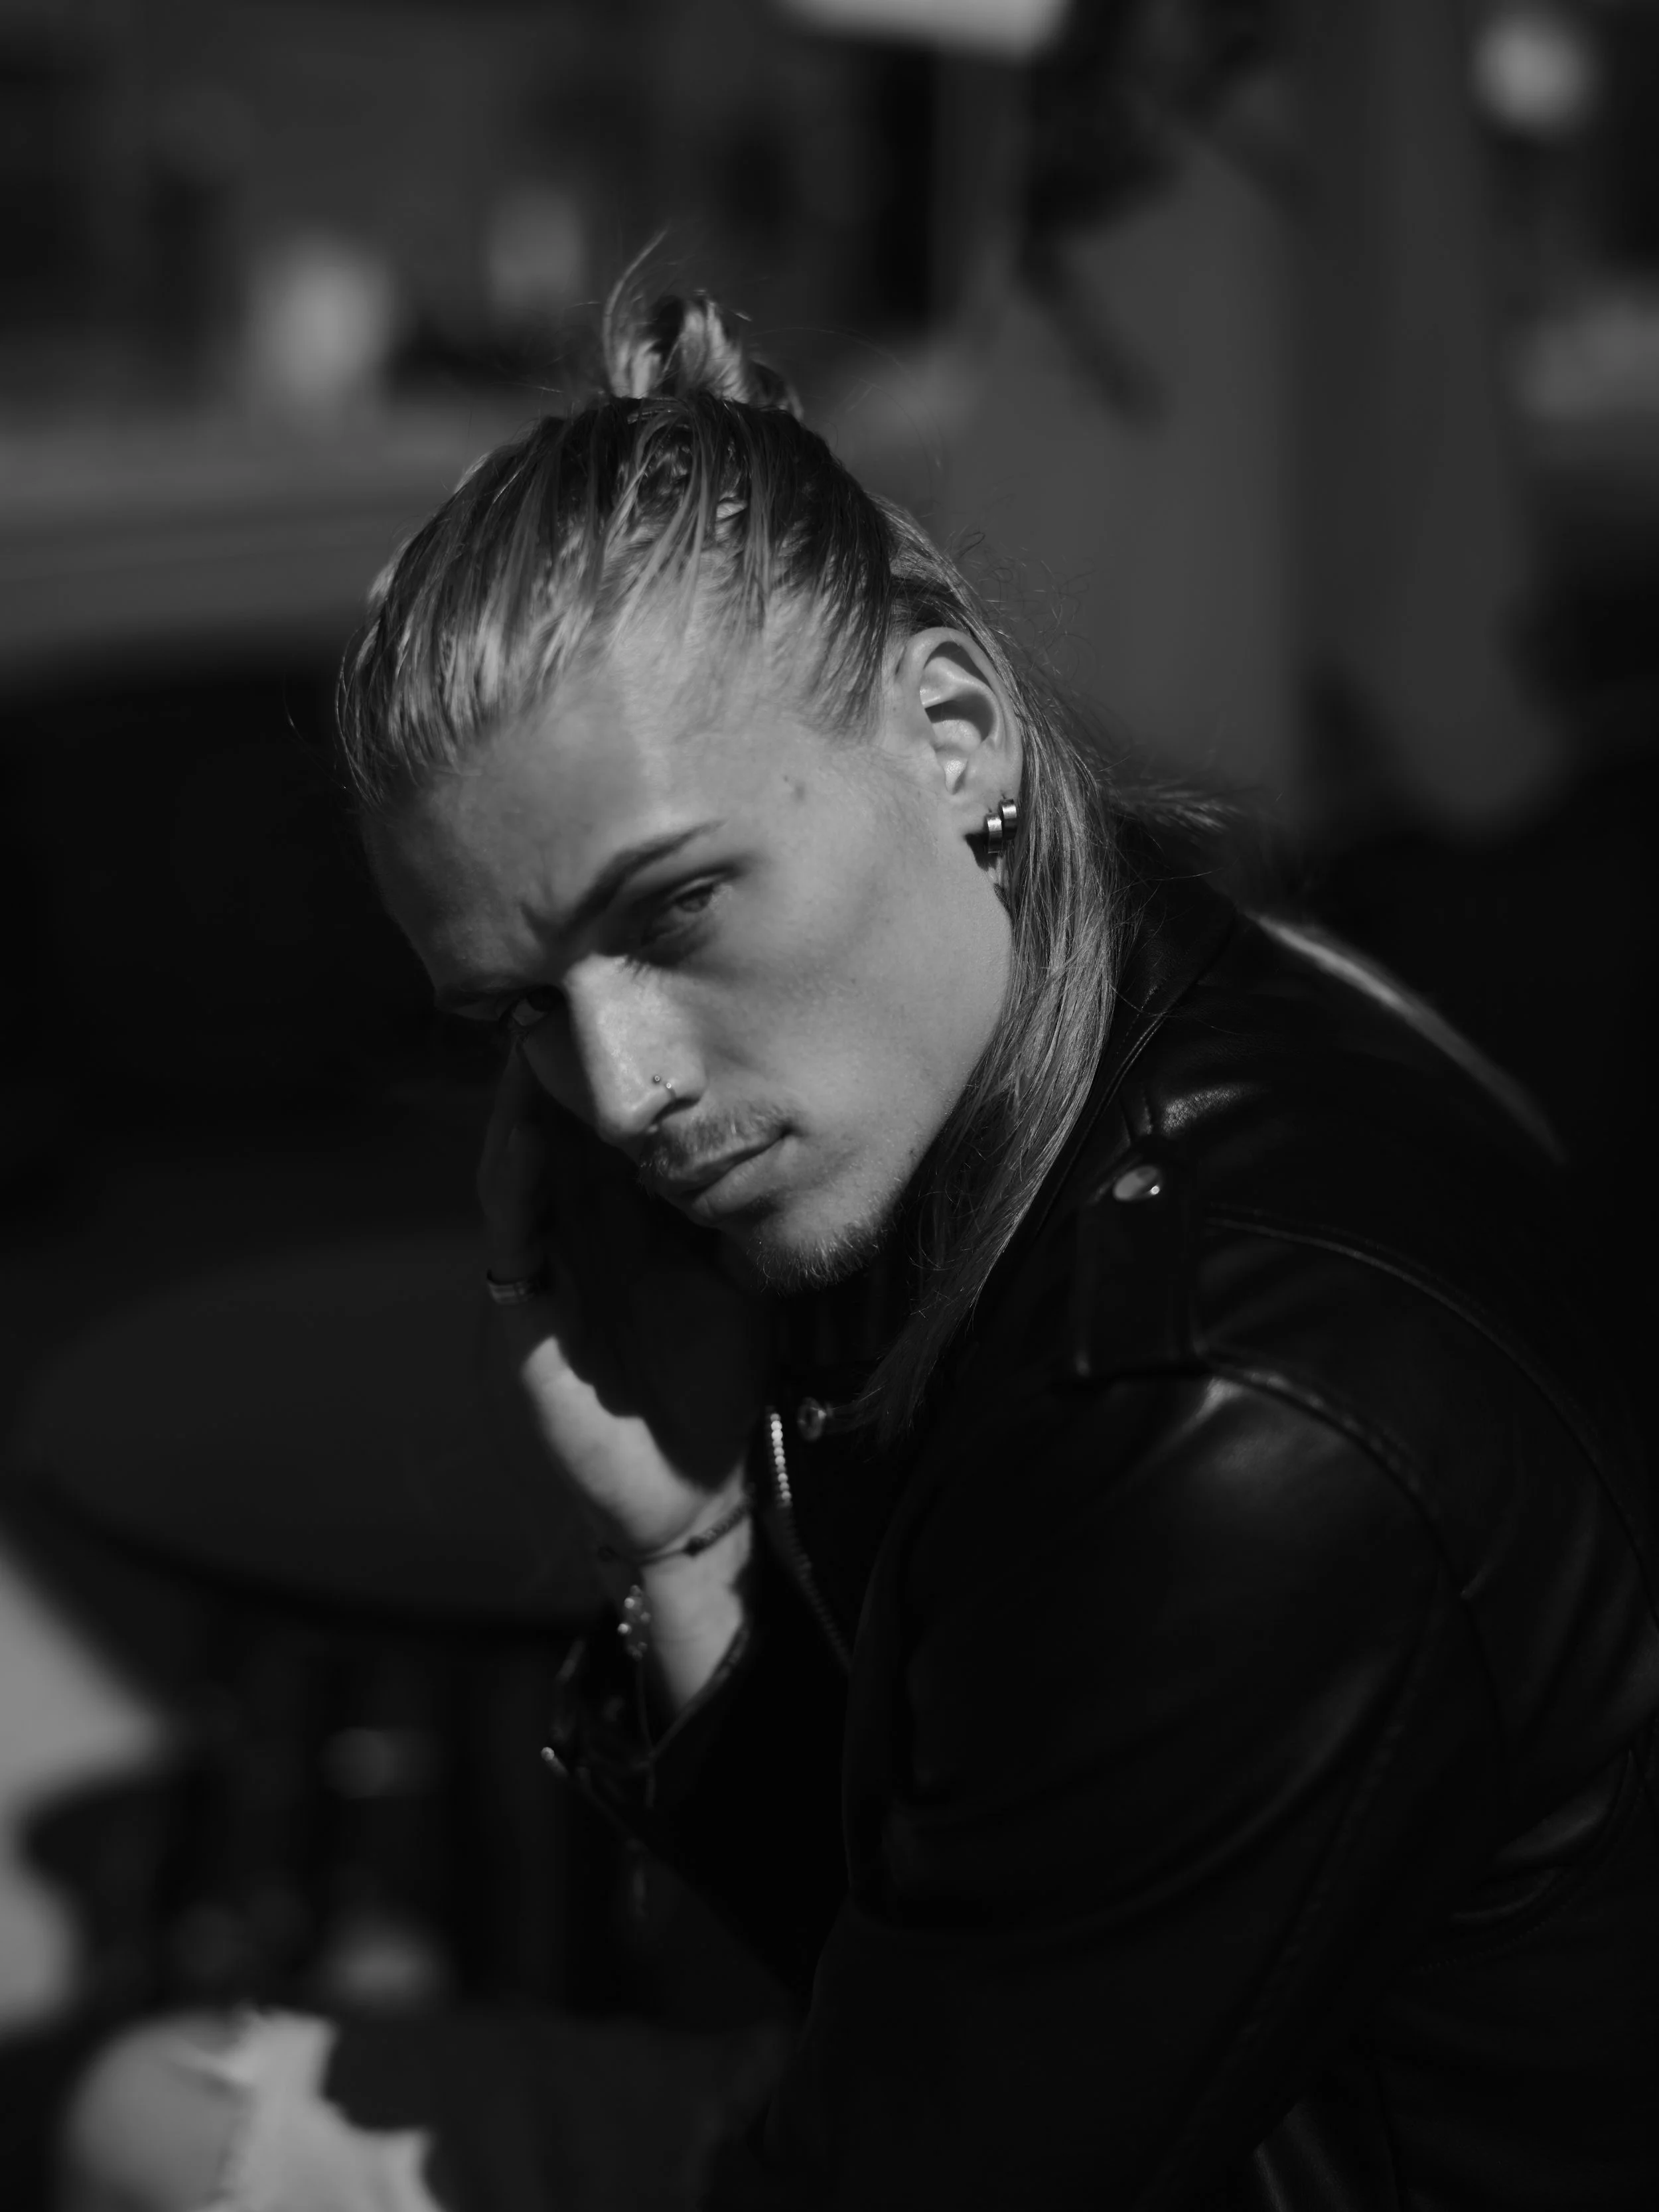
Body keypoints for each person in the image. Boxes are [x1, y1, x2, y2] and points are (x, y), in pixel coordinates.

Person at [60, 290, 1659, 2211]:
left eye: (674, 905)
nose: (625, 1086)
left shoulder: (1222, 1413)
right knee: (153, 2110)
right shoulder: (1100, 1024)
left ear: (952, 730)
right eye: (522, 1008)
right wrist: (686, 1544)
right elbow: (949, 1943)